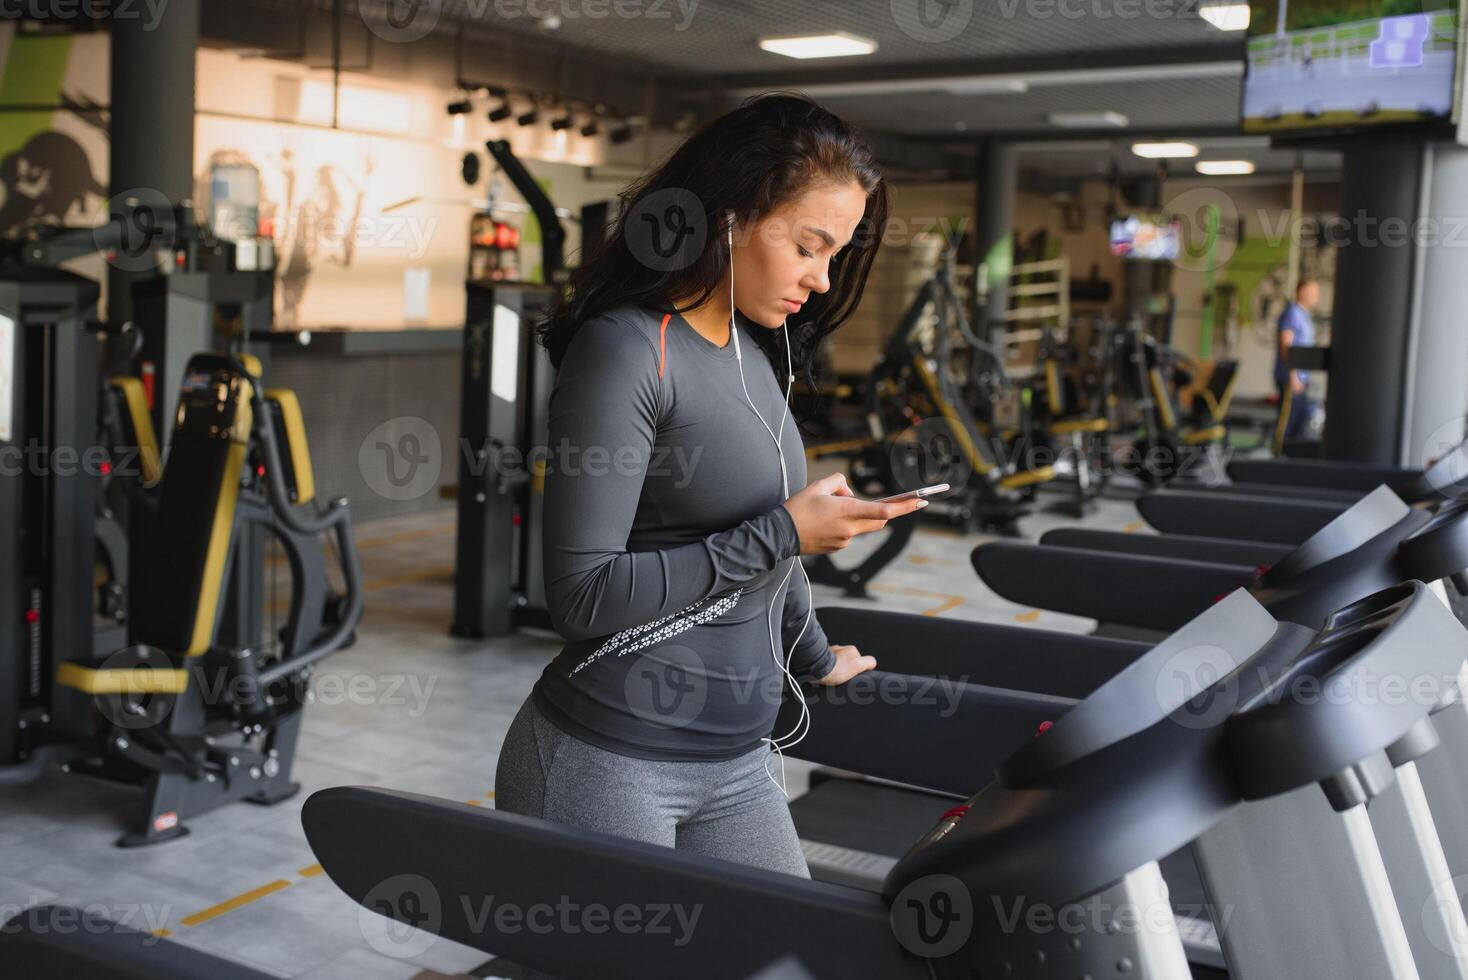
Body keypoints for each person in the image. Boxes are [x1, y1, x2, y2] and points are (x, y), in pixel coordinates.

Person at [494, 93, 925, 880]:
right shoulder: (627, 350)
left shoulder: (752, 351)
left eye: (835, 254)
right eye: (808, 246)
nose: (823, 279)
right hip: (611, 759)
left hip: (738, 761)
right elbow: (582, 597)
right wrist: (787, 531)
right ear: (728, 216)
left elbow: (772, 549)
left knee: (786, 961)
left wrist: (816, 658)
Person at [1275, 278, 1319, 446]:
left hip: (1301, 378)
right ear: (1302, 292)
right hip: (1292, 378)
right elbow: (1286, 345)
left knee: (1298, 422)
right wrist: (1293, 375)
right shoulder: (1292, 314)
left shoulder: (1304, 315)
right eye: (1313, 292)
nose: (1316, 296)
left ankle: (1290, 455)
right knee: (1287, 422)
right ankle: (1278, 458)